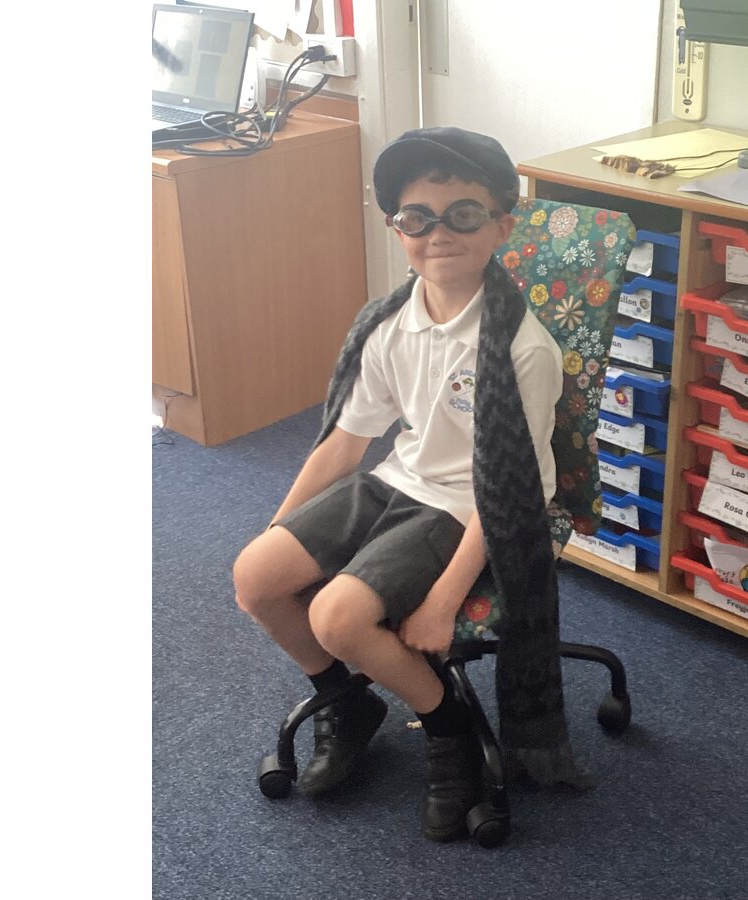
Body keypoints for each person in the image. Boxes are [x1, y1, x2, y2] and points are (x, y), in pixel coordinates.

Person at [231, 126, 569, 842]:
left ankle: (447, 729)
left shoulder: (523, 349)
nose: (438, 233)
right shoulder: (389, 324)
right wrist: (281, 528)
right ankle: (346, 702)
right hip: (398, 480)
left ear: (501, 226)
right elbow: (345, 443)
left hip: (465, 506)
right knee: (256, 576)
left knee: (338, 618)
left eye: (463, 214)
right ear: (397, 229)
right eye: (417, 217)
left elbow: (518, 495)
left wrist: (443, 603)